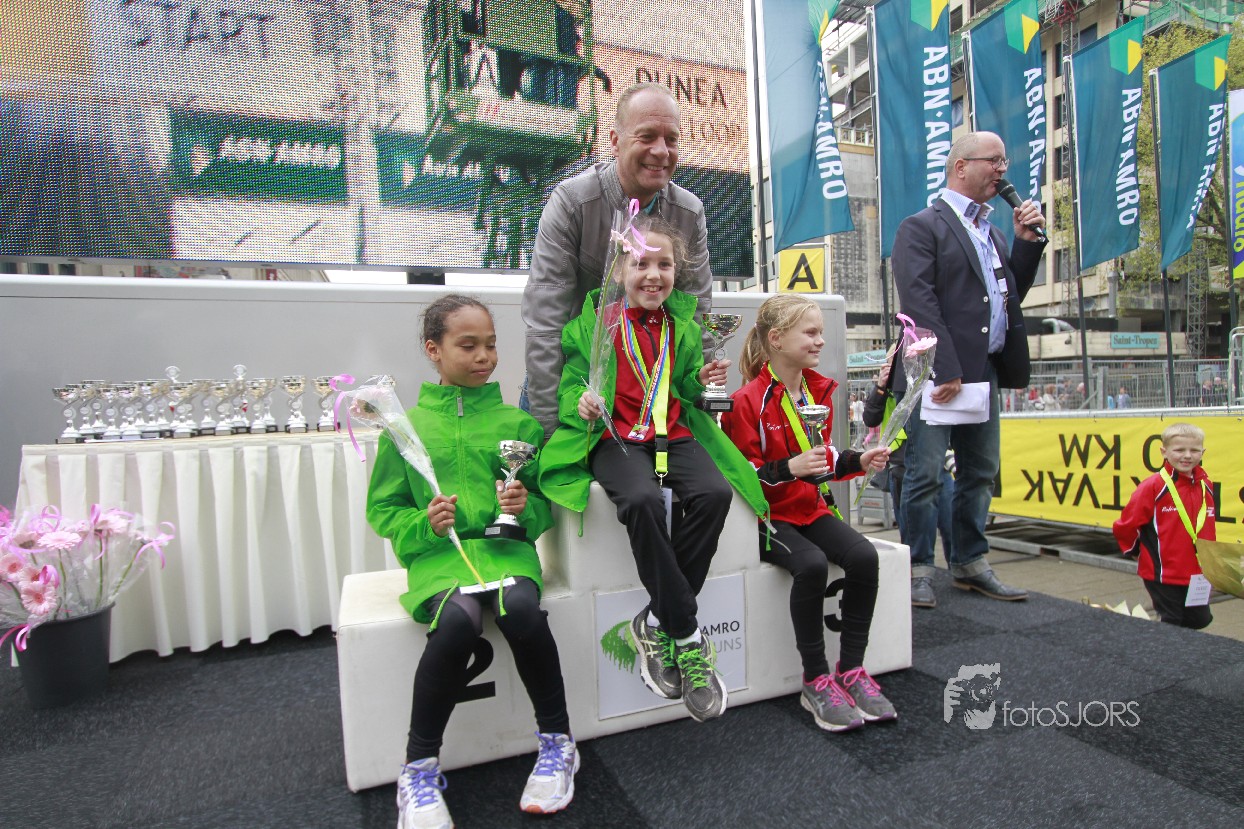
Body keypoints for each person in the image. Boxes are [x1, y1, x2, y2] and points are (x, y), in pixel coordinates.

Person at [538, 218, 768, 723]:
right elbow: (571, 383)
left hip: (672, 433)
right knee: (640, 500)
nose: (653, 274)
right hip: (614, 437)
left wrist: (700, 379)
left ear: (676, 273)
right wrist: (582, 401)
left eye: (664, 265)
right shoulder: (593, 325)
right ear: (620, 270)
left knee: (714, 494)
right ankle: (686, 634)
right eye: (641, 263)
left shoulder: (682, 326)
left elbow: (683, 387)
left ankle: (657, 619)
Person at [366, 295, 577, 829]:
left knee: (522, 610)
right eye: (468, 345)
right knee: (458, 621)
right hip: (441, 559)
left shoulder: (518, 423)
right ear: (433, 350)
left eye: (491, 344)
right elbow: (384, 509)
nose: (485, 356)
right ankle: (417, 769)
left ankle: (558, 742)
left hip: (506, 552)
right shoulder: (405, 428)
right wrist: (425, 524)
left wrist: (523, 508)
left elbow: (542, 504)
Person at [721, 295, 897, 731]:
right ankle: (816, 679)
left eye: (821, 332)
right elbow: (741, 478)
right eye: (811, 333)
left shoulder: (817, 391)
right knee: (812, 564)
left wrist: (860, 461)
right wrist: (788, 469)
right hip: (768, 519)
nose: (820, 341)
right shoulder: (746, 401)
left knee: (864, 556)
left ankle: (851, 671)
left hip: (810, 508)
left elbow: (824, 459)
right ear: (777, 339)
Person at [890, 131, 1046, 608]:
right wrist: (946, 367)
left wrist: (1025, 244)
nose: (1002, 170)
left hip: (984, 370)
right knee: (925, 474)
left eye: (1004, 161)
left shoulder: (992, 232)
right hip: (936, 372)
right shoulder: (921, 226)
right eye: (993, 160)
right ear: (961, 167)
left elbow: (1007, 295)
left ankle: (970, 562)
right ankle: (917, 568)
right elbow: (919, 302)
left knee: (980, 471)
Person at [523, 82, 713, 438]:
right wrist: (549, 431)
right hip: (572, 388)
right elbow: (545, 324)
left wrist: (703, 408)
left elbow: (697, 318)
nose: (661, 151)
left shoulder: (689, 213)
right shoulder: (572, 203)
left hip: (651, 397)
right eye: (647, 136)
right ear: (615, 141)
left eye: (671, 139)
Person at [862, 356, 954, 607]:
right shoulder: (890, 387)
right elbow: (870, 418)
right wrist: (881, 386)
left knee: (950, 524)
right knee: (911, 531)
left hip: (937, 465)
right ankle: (916, 578)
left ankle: (956, 570)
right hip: (903, 469)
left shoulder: (931, 380)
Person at [1112, 422, 1215, 629]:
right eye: (1179, 450)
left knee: (1199, 620)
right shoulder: (1153, 486)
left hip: (1197, 573)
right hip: (1163, 573)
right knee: (1172, 622)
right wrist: (1136, 552)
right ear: (1164, 452)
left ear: (1202, 452)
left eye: (1194, 450)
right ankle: (1164, 650)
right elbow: (1126, 525)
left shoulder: (1205, 485)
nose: (1187, 456)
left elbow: (1206, 527)